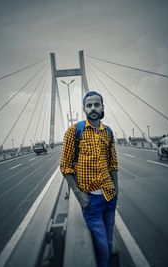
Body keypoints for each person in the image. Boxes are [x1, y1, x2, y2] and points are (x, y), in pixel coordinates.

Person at [60, 91, 118, 267]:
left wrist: (117, 189)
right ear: (84, 108)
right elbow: (65, 166)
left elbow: (113, 164)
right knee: (101, 246)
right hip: (90, 200)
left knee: (108, 242)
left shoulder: (108, 132)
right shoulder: (74, 131)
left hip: (109, 196)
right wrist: (78, 194)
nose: (93, 108)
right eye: (89, 105)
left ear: (102, 107)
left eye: (96, 104)